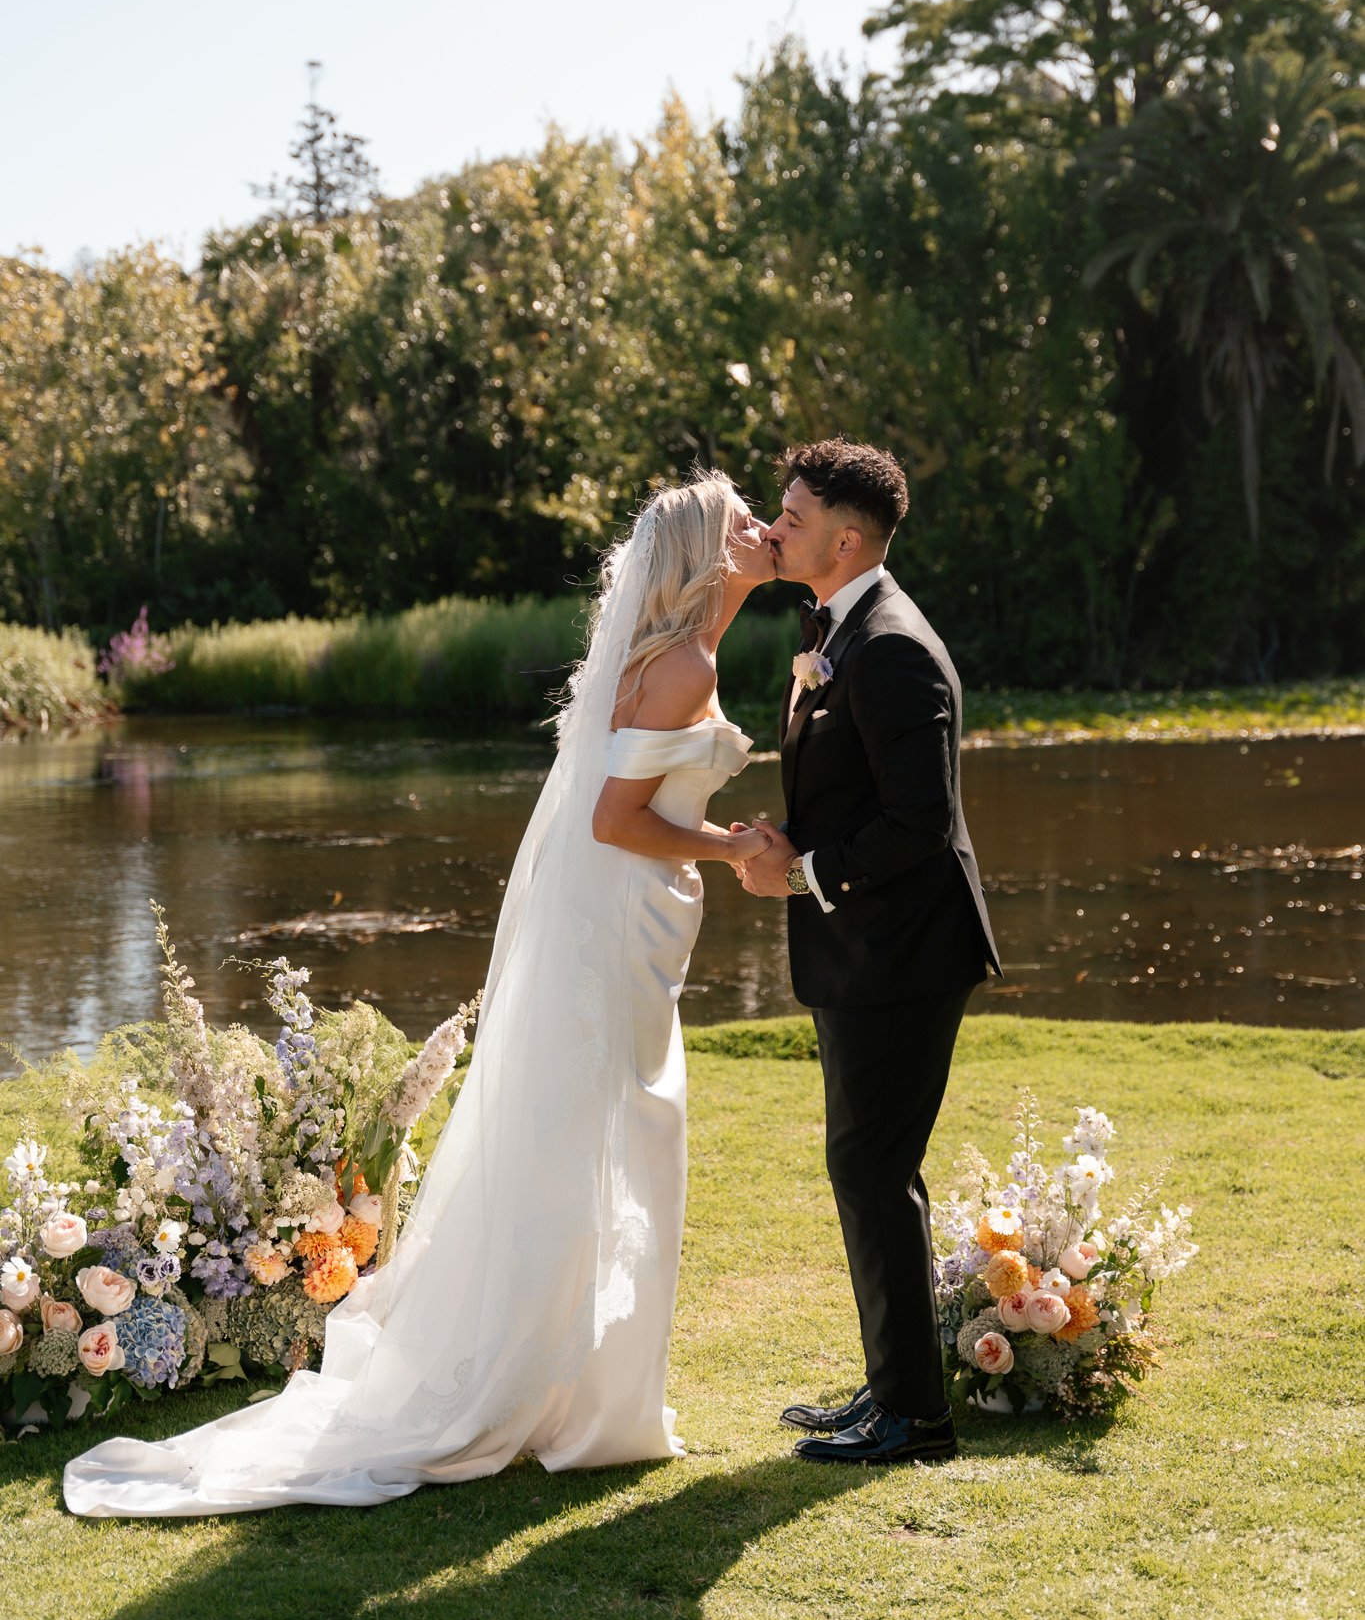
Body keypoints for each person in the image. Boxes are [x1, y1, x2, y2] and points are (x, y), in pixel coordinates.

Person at [64, 471, 775, 1516]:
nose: (764, 530)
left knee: (590, 1138)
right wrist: (732, 844)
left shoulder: (661, 656)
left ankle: (577, 1387)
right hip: (624, 915)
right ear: (705, 555)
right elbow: (614, 820)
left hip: (624, 922)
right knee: (620, 1134)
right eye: (744, 522)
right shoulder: (683, 662)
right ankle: (571, 1401)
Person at [735, 439, 1001, 1466]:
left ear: (847, 537)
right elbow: (860, 797)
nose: (776, 525)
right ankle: (892, 1388)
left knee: (873, 1167)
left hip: (905, 954)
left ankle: (914, 1419)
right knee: (871, 1167)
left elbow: (921, 822)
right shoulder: (840, 629)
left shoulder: (890, 644)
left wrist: (799, 873)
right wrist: (792, 847)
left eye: (792, 515)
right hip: (868, 948)